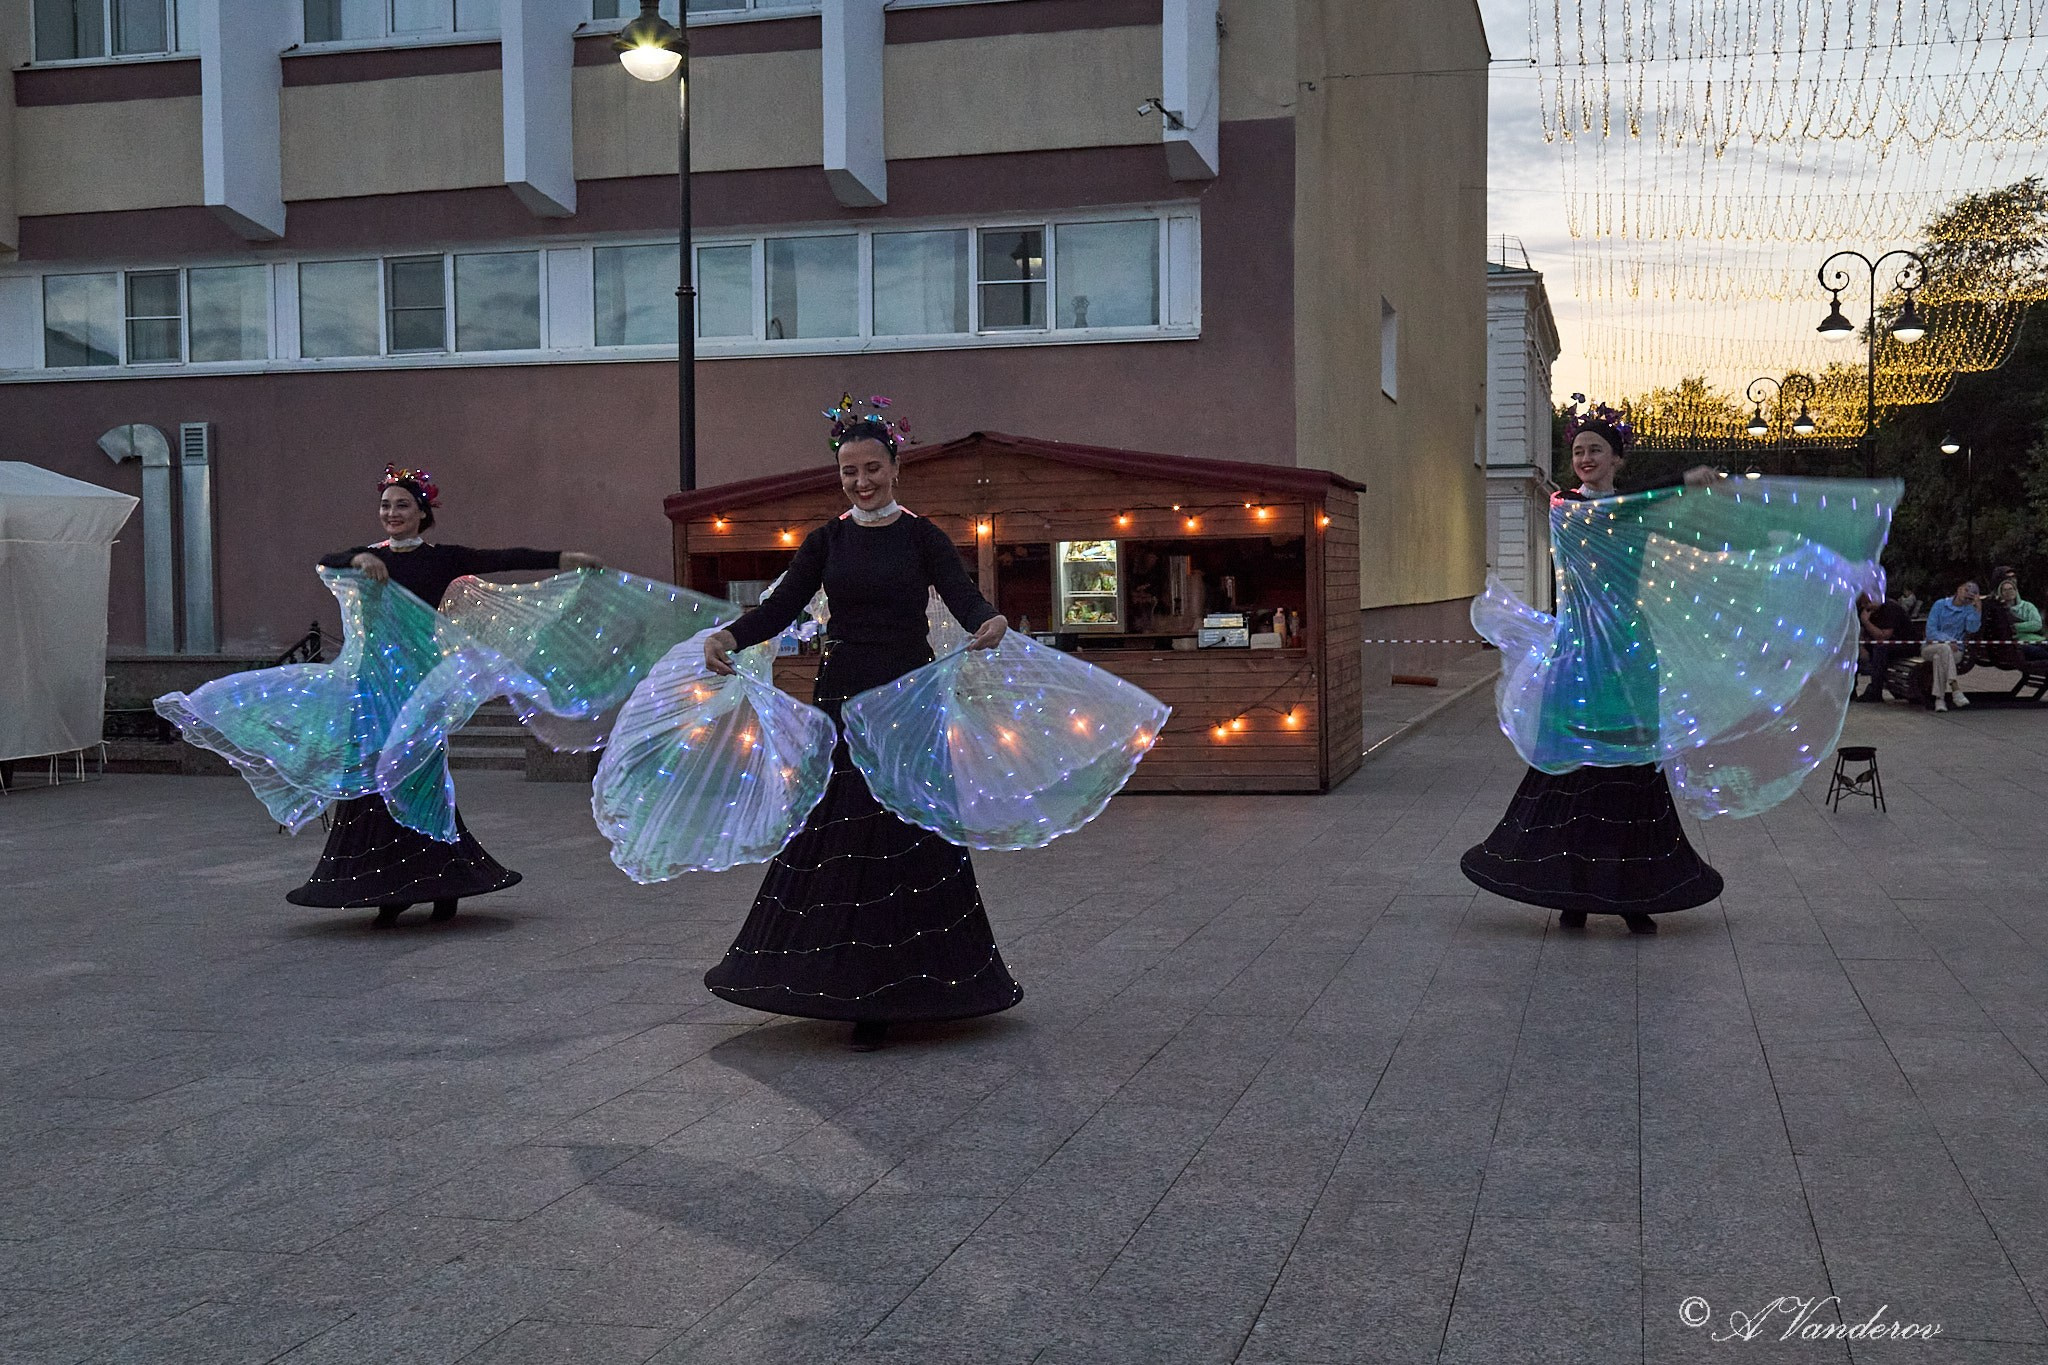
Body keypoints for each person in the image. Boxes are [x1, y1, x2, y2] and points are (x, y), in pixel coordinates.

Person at [697, 398, 1021, 1049]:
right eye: (850, 472)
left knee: (912, 836)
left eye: (872, 468)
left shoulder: (923, 536)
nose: (862, 481)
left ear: (895, 466)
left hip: (908, 704)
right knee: (842, 840)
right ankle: (840, 983)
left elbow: (961, 595)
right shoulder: (827, 540)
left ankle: (922, 985)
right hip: (843, 703)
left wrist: (988, 617)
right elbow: (783, 605)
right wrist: (731, 634)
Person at [292, 465, 603, 925]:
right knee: (370, 781)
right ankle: (382, 887)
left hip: (420, 683)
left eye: (402, 505)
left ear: (422, 513)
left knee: (419, 781)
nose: (392, 513)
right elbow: (328, 557)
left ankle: (442, 883)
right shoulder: (366, 556)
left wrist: (562, 558)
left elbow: (504, 556)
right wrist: (357, 560)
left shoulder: (441, 558)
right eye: (385, 505)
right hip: (375, 687)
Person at [1462, 403, 1725, 935]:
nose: (1584, 458)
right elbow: (1618, 507)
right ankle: (1571, 894)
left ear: (1616, 459)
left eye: (1595, 450)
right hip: (1578, 655)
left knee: (1629, 776)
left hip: (1627, 656)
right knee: (1574, 776)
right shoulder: (1565, 507)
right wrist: (1681, 478)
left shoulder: (1637, 511)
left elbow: (1652, 508)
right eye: (1578, 450)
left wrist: (1689, 488)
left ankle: (1633, 898)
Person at [1922, 581, 1980, 712]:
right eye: (1966, 590)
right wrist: (1947, 641)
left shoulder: (1969, 609)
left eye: (1972, 593)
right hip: (1931, 647)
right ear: (1959, 589)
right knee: (1943, 648)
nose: (1967, 595)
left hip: (1955, 651)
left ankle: (1939, 699)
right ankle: (1955, 689)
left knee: (1939, 658)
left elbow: (1972, 628)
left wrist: (1977, 610)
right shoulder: (1940, 605)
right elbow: (1930, 631)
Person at [1857, 593, 1913, 702]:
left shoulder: (1890, 609)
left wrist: (1866, 622)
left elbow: (1882, 636)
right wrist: (1862, 646)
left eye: (1867, 603)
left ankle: (1875, 690)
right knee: (1854, 650)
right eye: (1863, 604)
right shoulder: (1867, 611)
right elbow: (1862, 633)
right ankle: (1851, 692)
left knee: (1880, 648)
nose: (1865, 607)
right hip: (1880, 645)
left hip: (1905, 645)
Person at [1993, 575, 2048, 661]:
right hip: (2017, 644)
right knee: (2042, 653)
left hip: (2037, 640)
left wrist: (2016, 627)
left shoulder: (2028, 606)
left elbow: (2037, 624)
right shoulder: (2000, 610)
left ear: (2015, 590)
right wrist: (2027, 626)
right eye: (2005, 590)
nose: (2008, 592)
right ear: (2001, 593)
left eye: (2011, 589)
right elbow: (2004, 629)